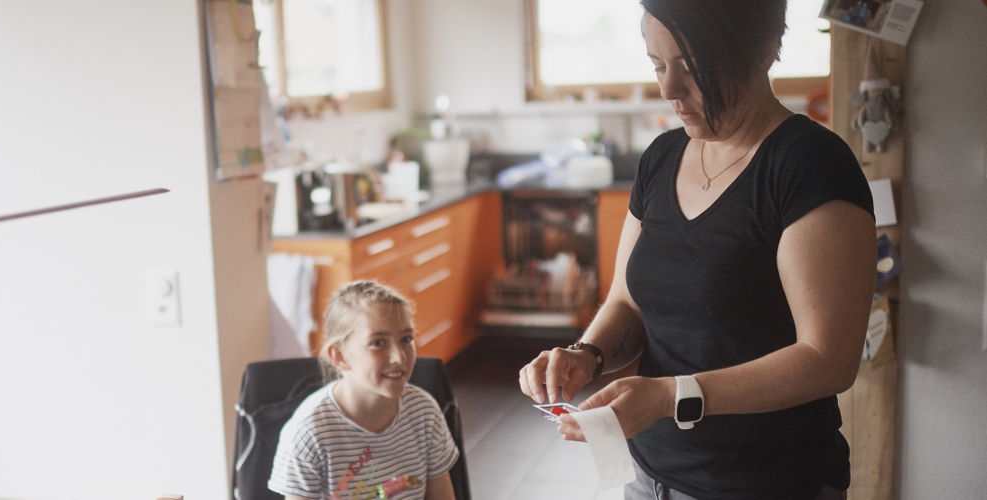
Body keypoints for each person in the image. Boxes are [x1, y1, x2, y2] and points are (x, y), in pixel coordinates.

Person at [518, 1, 877, 499]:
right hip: (650, 475)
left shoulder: (809, 165)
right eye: (658, 65)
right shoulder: (661, 158)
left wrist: (671, 396)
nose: (669, 90)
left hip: (768, 482)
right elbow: (627, 303)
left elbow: (828, 358)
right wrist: (588, 355)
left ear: (764, 51)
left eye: (690, 67)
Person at [269, 281, 458, 500]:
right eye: (378, 342)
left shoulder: (425, 412)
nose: (399, 356)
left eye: (406, 339)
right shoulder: (309, 433)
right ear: (340, 356)